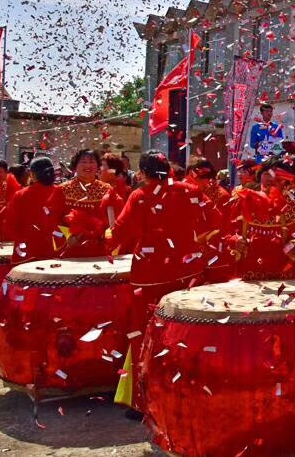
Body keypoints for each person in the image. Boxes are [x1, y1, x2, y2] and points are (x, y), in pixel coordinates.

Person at [112, 150, 205, 414]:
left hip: (150, 277)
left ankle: (144, 402)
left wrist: (104, 236)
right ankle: (185, 394)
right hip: (186, 273)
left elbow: (120, 232)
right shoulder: (191, 191)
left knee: (144, 334)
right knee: (183, 334)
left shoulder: (139, 196)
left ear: (142, 172)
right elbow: (213, 223)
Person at [4, 157, 65, 263]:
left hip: (26, 250)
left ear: (31, 174)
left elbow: (10, 224)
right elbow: (65, 221)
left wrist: (22, 239)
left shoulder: (20, 194)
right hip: (54, 248)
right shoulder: (60, 191)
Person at [186, 157, 235, 282]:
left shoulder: (221, 195)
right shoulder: (183, 190)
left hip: (212, 250)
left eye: (205, 176)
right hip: (188, 253)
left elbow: (223, 226)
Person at [59, 149, 111, 257]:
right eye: (83, 162)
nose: (88, 165)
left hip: (99, 251)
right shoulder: (63, 189)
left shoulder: (106, 189)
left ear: (98, 166)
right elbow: (53, 220)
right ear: (75, 166)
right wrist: (68, 237)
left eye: (92, 162)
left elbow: (114, 221)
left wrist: (107, 237)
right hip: (69, 250)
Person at [100, 153, 133, 228]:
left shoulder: (112, 195)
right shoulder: (125, 189)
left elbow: (113, 228)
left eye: (103, 165)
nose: (100, 169)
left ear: (112, 171)